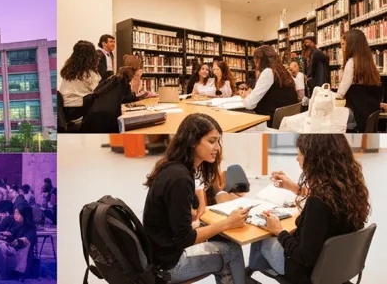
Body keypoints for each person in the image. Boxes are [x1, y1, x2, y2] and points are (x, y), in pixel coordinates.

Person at [247, 135, 370, 282]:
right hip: (337, 267)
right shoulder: (352, 189)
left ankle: (250, 273)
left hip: (307, 272)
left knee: (262, 239)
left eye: (300, 153)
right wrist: (294, 188)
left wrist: (279, 231)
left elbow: (304, 257)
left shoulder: (317, 202)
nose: (297, 158)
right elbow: (327, 205)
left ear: (314, 159)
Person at [142, 114, 248, 283]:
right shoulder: (180, 178)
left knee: (218, 239)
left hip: (158, 254)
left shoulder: (173, 168)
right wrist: (228, 222)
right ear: (193, 141)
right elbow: (185, 239)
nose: (217, 148)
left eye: (218, 142)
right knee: (232, 250)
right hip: (169, 265)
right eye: (211, 141)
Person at [335, 29, 384, 132]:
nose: (342, 48)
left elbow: (340, 94)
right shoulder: (370, 64)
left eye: (343, 44)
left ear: (351, 45)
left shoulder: (351, 63)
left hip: (356, 119)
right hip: (366, 122)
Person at [243, 46, 299, 125]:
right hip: (287, 119)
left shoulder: (268, 72)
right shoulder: (283, 72)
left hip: (272, 120)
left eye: (255, 60)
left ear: (260, 60)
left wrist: (246, 96)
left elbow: (249, 104)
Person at [79, 66, 142, 133]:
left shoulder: (108, 81)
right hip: (109, 119)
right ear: (130, 76)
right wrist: (139, 96)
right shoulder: (124, 84)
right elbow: (128, 99)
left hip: (91, 118)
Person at [59, 41, 102, 123]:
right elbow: (98, 92)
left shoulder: (68, 71)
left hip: (64, 111)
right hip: (80, 110)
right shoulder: (90, 74)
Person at [0, 204, 37, 278]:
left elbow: (22, 243)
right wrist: (6, 235)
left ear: (25, 215)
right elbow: (10, 235)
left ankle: (4, 274)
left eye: (18, 213)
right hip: (13, 252)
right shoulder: (15, 224)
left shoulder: (30, 229)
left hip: (22, 257)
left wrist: (10, 239)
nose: (15, 215)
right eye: (15, 213)